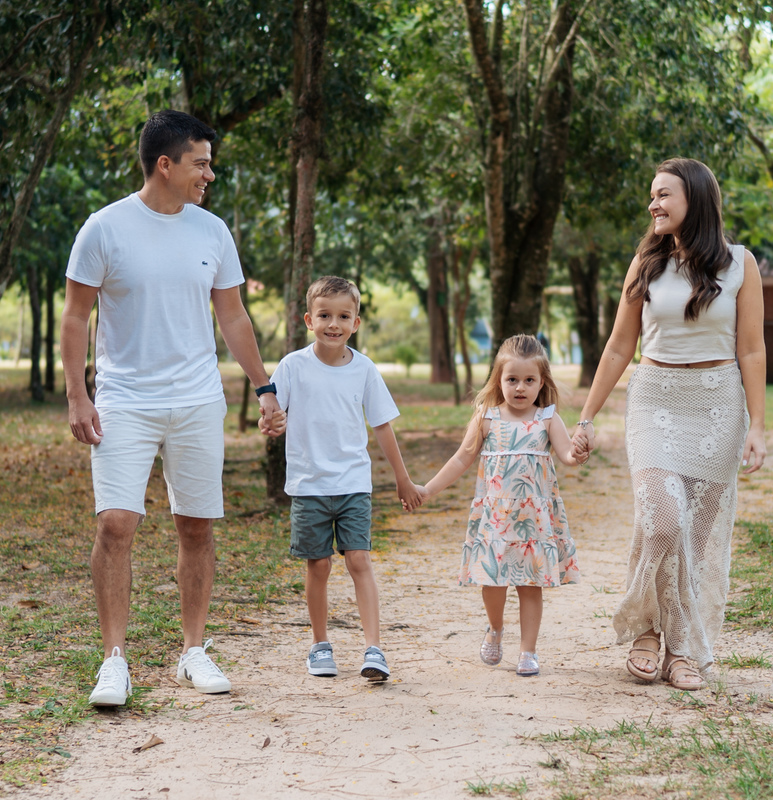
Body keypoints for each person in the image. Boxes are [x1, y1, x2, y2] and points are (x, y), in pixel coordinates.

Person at [62, 110, 285, 708]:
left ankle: (193, 651)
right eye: (201, 163)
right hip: (124, 400)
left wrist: (264, 388)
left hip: (195, 399)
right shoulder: (104, 229)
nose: (209, 174)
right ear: (166, 164)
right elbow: (76, 316)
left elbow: (232, 316)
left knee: (196, 525)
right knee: (116, 525)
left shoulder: (212, 232)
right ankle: (114, 661)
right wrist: (77, 393)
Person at [571, 158, 766, 691]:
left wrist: (757, 425)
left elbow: (751, 349)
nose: (652, 205)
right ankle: (645, 631)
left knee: (694, 542)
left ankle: (679, 647)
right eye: (651, 196)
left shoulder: (741, 265)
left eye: (663, 195)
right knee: (662, 522)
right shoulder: (645, 264)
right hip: (655, 397)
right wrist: (586, 417)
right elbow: (618, 347)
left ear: (695, 200)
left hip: (717, 404)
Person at [265, 275, 422, 682]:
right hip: (309, 486)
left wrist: (402, 480)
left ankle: (375, 648)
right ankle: (320, 645)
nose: (333, 323)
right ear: (308, 320)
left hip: (353, 484)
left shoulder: (364, 370)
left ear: (356, 322)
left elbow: (383, 426)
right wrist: (272, 423)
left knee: (359, 560)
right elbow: (274, 414)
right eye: (325, 315)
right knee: (317, 566)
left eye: (343, 316)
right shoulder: (292, 366)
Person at [415, 334, 585, 677]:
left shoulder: (548, 418)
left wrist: (576, 453)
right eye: (512, 379)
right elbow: (462, 459)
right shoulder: (487, 418)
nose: (520, 388)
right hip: (496, 519)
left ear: (541, 383)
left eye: (528, 380)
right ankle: (495, 629)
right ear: (498, 380)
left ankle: (528, 651)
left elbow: (566, 454)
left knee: (530, 584)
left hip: (532, 522)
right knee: (492, 583)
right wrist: (428, 489)